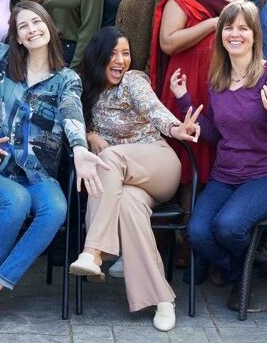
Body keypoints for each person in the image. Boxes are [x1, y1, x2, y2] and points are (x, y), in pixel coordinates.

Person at [0, 2, 107, 333]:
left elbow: (72, 114)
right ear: (17, 37)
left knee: (55, 209)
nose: (32, 29)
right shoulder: (4, 63)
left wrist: (79, 148)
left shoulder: (66, 80)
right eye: (23, 26)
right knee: (16, 200)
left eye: (37, 22)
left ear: (49, 26)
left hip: (37, 173)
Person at [69, 28, 203, 331]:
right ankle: (162, 299)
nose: (120, 60)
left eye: (125, 53)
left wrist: (175, 127)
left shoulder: (132, 81)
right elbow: (75, 124)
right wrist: (90, 135)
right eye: (114, 53)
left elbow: (152, 109)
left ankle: (94, 252)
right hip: (125, 185)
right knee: (128, 207)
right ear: (97, 56)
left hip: (158, 164)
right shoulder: (84, 90)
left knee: (110, 157)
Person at [182, 0, 267, 311]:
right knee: (198, 233)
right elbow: (217, 135)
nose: (235, 34)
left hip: (266, 175)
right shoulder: (217, 79)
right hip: (226, 173)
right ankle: (237, 272)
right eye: (229, 27)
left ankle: (242, 280)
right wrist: (184, 105)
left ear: (255, 35)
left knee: (228, 227)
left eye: (243, 28)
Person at [150, 0, 240, 194]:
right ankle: (181, 226)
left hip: (222, 88)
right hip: (186, 87)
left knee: (216, 152)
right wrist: (212, 24)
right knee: (186, 155)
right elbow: (168, 42)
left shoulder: (236, 2)